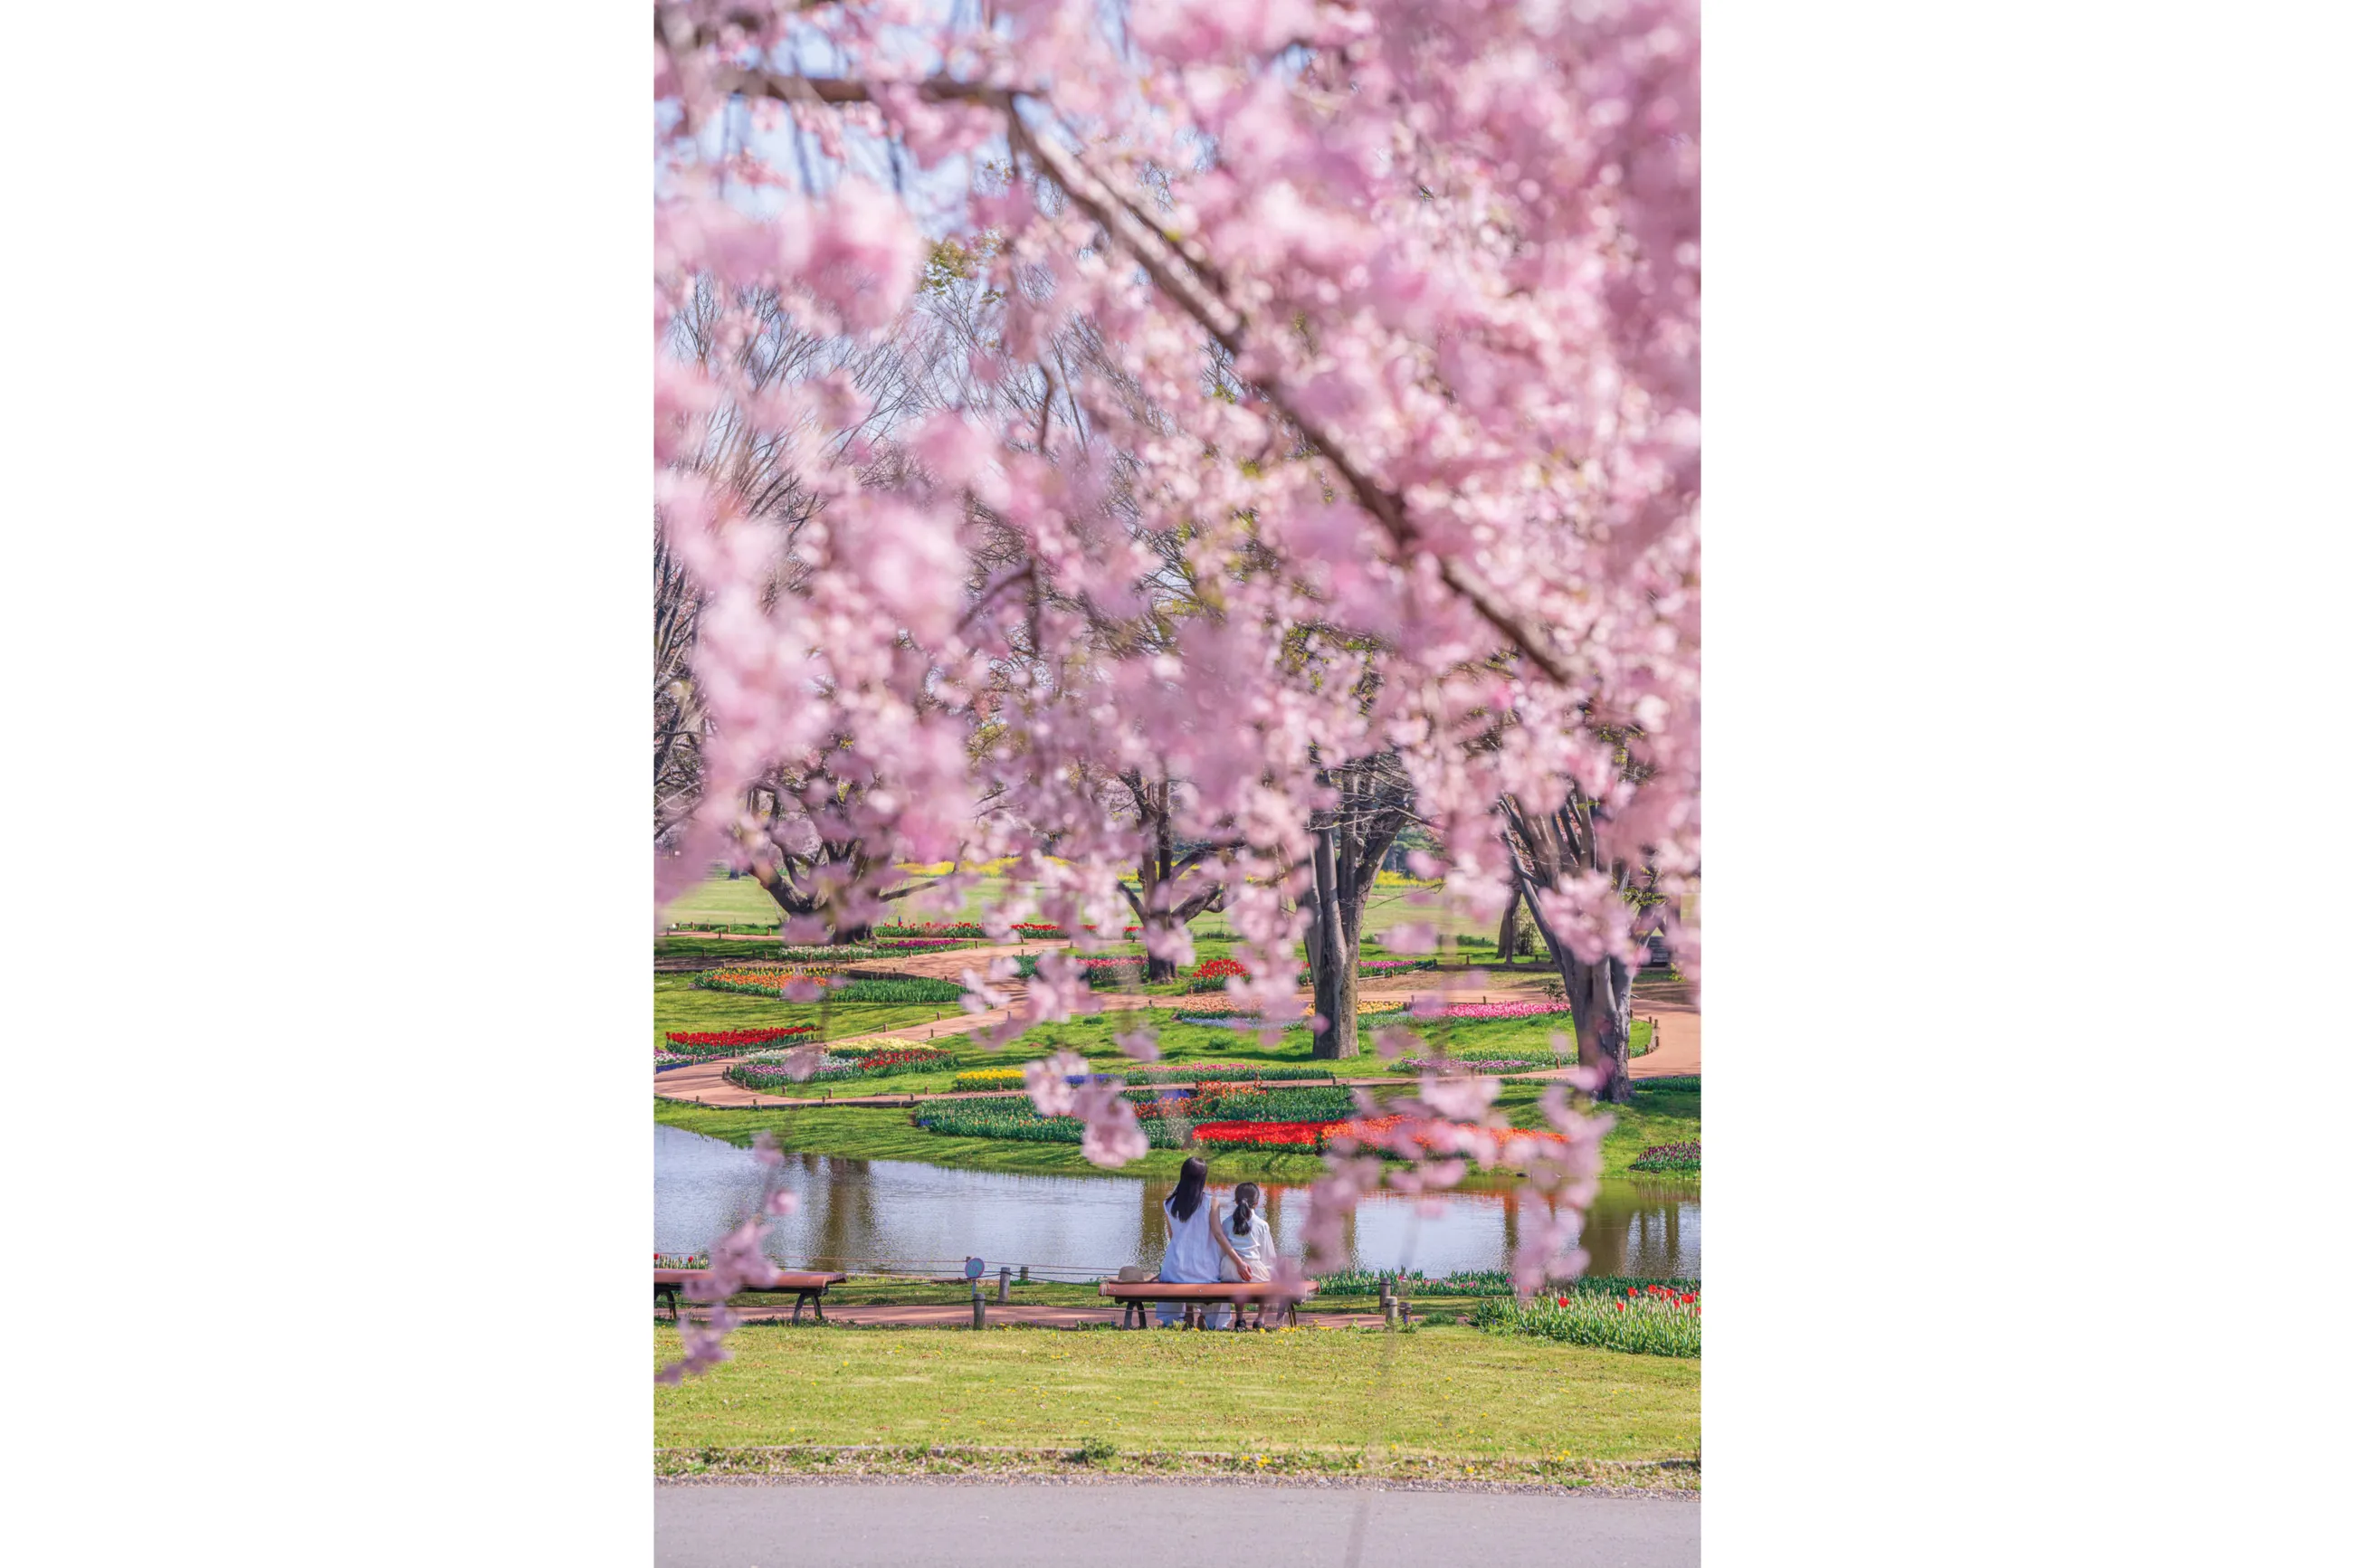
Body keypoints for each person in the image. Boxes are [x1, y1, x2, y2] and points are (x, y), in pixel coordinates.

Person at [1156, 1156, 1251, 1327]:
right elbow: (1218, 1235)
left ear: (1182, 1174)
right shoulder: (1210, 1202)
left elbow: (1172, 1237)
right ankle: (1205, 1318)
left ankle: (1189, 1315)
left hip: (1175, 1270)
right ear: (1203, 1178)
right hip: (1204, 1272)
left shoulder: (1168, 1203)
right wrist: (1239, 1262)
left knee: (1187, 1271)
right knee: (1211, 1272)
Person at [1217, 1181, 1276, 1330]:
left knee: (1238, 1280)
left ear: (1236, 1201)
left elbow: (1221, 1252)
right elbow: (1268, 1256)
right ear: (1256, 1203)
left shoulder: (1226, 1223)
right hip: (1253, 1270)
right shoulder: (1261, 1225)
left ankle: (1240, 1318)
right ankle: (1260, 1319)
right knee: (1271, 1275)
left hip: (1228, 1269)